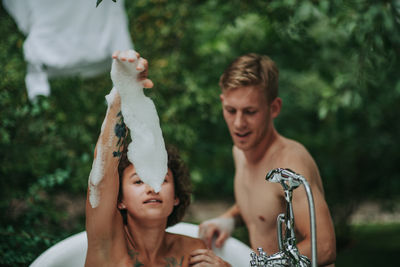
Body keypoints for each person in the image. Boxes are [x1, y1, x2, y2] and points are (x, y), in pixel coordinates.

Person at [85, 50, 227, 267]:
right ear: (120, 200)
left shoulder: (193, 252)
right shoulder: (106, 244)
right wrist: (124, 90)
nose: (152, 187)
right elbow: (101, 176)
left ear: (176, 197)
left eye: (162, 179)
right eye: (138, 181)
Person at [198, 53, 337, 266]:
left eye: (250, 112)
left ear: (274, 108)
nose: (238, 123)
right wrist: (229, 218)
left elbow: (324, 247)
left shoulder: (289, 163)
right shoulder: (240, 151)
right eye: (230, 110)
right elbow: (262, 204)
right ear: (222, 102)